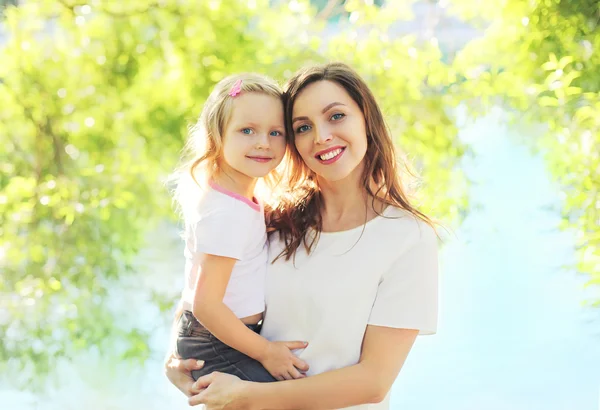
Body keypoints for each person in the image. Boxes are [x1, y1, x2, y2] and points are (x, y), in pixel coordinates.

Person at [166, 62, 439, 410]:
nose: (322, 136)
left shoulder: (408, 238)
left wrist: (250, 395)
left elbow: (373, 381)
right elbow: (205, 292)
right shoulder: (277, 221)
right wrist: (175, 357)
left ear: (367, 120)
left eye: (336, 116)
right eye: (303, 126)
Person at [170, 72, 310, 384]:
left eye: (276, 133)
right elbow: (206, 305)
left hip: (223, 335)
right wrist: (266, 352)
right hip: (217, 341)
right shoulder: (227, 213)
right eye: (247, 130)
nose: (263, 143)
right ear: (216, 137)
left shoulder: (236, 196)